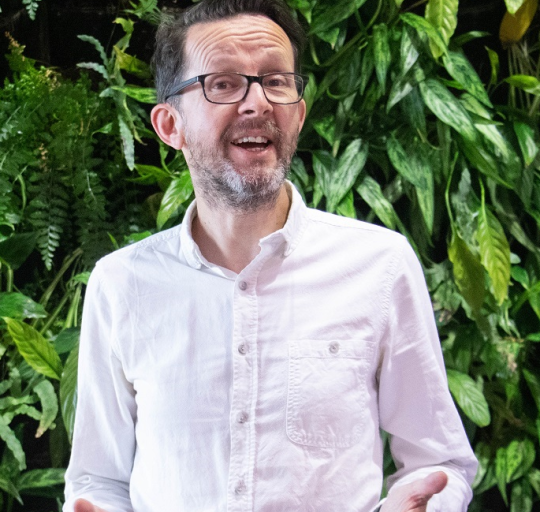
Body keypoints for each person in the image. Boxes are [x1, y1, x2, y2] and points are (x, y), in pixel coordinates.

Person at [63, 0, 478, 511]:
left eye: (276, 82)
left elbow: (441, 461)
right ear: (170, 125)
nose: (257, 103)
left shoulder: (380, 263)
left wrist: (429, 502)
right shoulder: (121, 283)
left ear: (298, 114)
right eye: (222, 83)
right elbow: (97, 481)